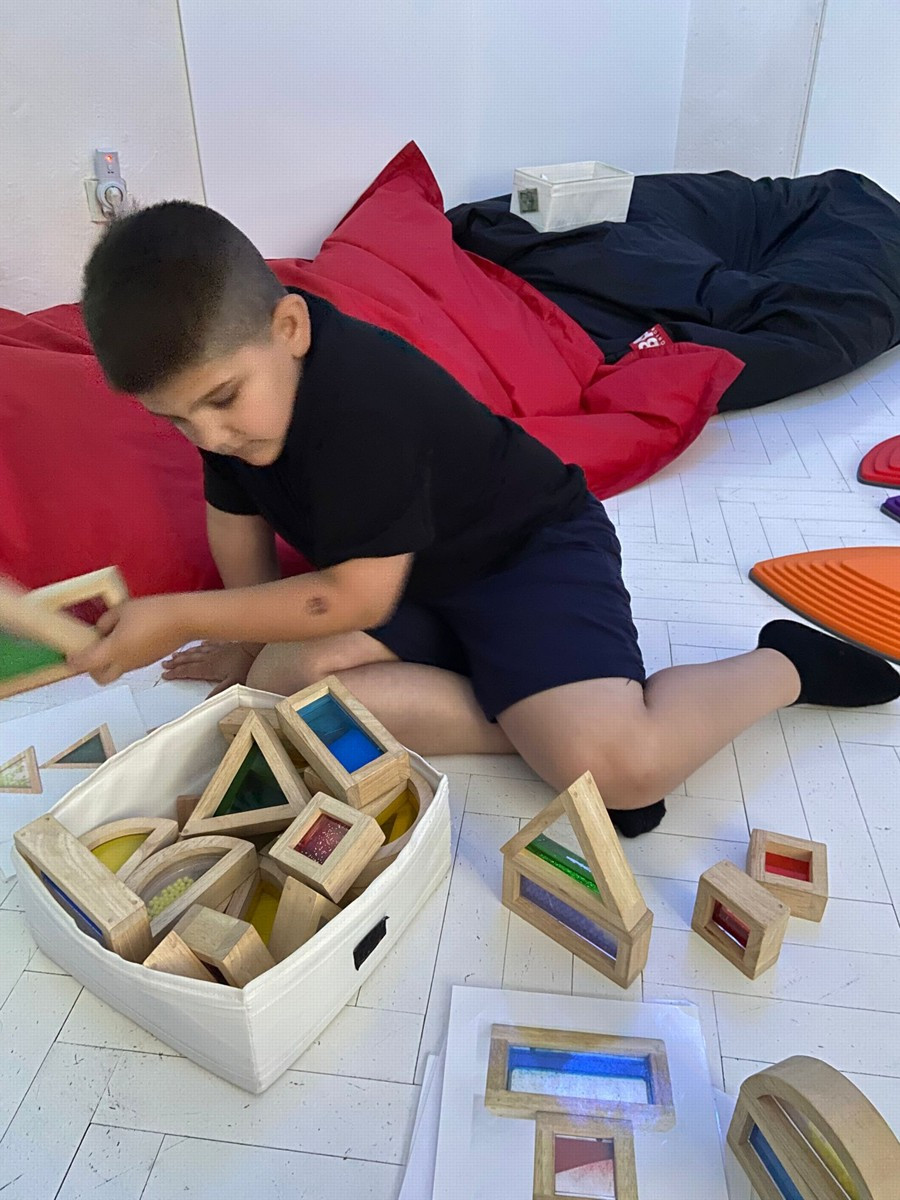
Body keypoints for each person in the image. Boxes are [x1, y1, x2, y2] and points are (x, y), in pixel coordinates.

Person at [71, 201, 900, 837]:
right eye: (176, 420)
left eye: (220, 401)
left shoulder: (362, 398)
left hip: (525, 556)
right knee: (281, 686)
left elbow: (350, 600)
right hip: (415, 577)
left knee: (624, 771)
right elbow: (236, 524)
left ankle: (783, 665)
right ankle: (550, 725)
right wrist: (247, 646)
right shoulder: (234, 410)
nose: (208, 435)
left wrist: (181, 614)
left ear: (288, 326)